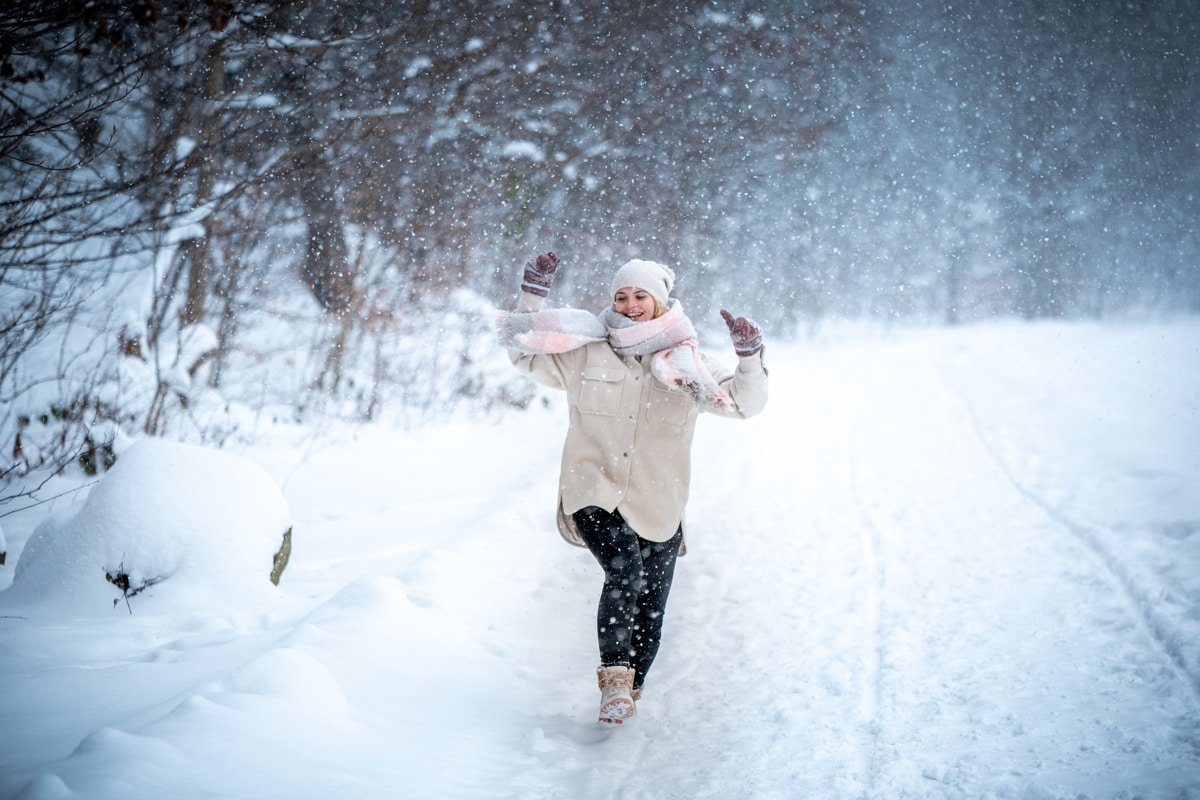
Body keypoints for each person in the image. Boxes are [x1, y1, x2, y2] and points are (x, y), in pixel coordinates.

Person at [497, 252, 768, 725]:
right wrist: (532, 296)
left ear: (660, 302)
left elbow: (745, 404)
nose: (629, 305)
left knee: (651, 605)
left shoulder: (690, 364)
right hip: (593, 489)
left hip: (660, 500)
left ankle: (632, 686)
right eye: (621, 296)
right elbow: (524, 352)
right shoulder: (586, 351)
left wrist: (749, 358)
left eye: (640, 295)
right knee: (625, 571)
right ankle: (615, 681)